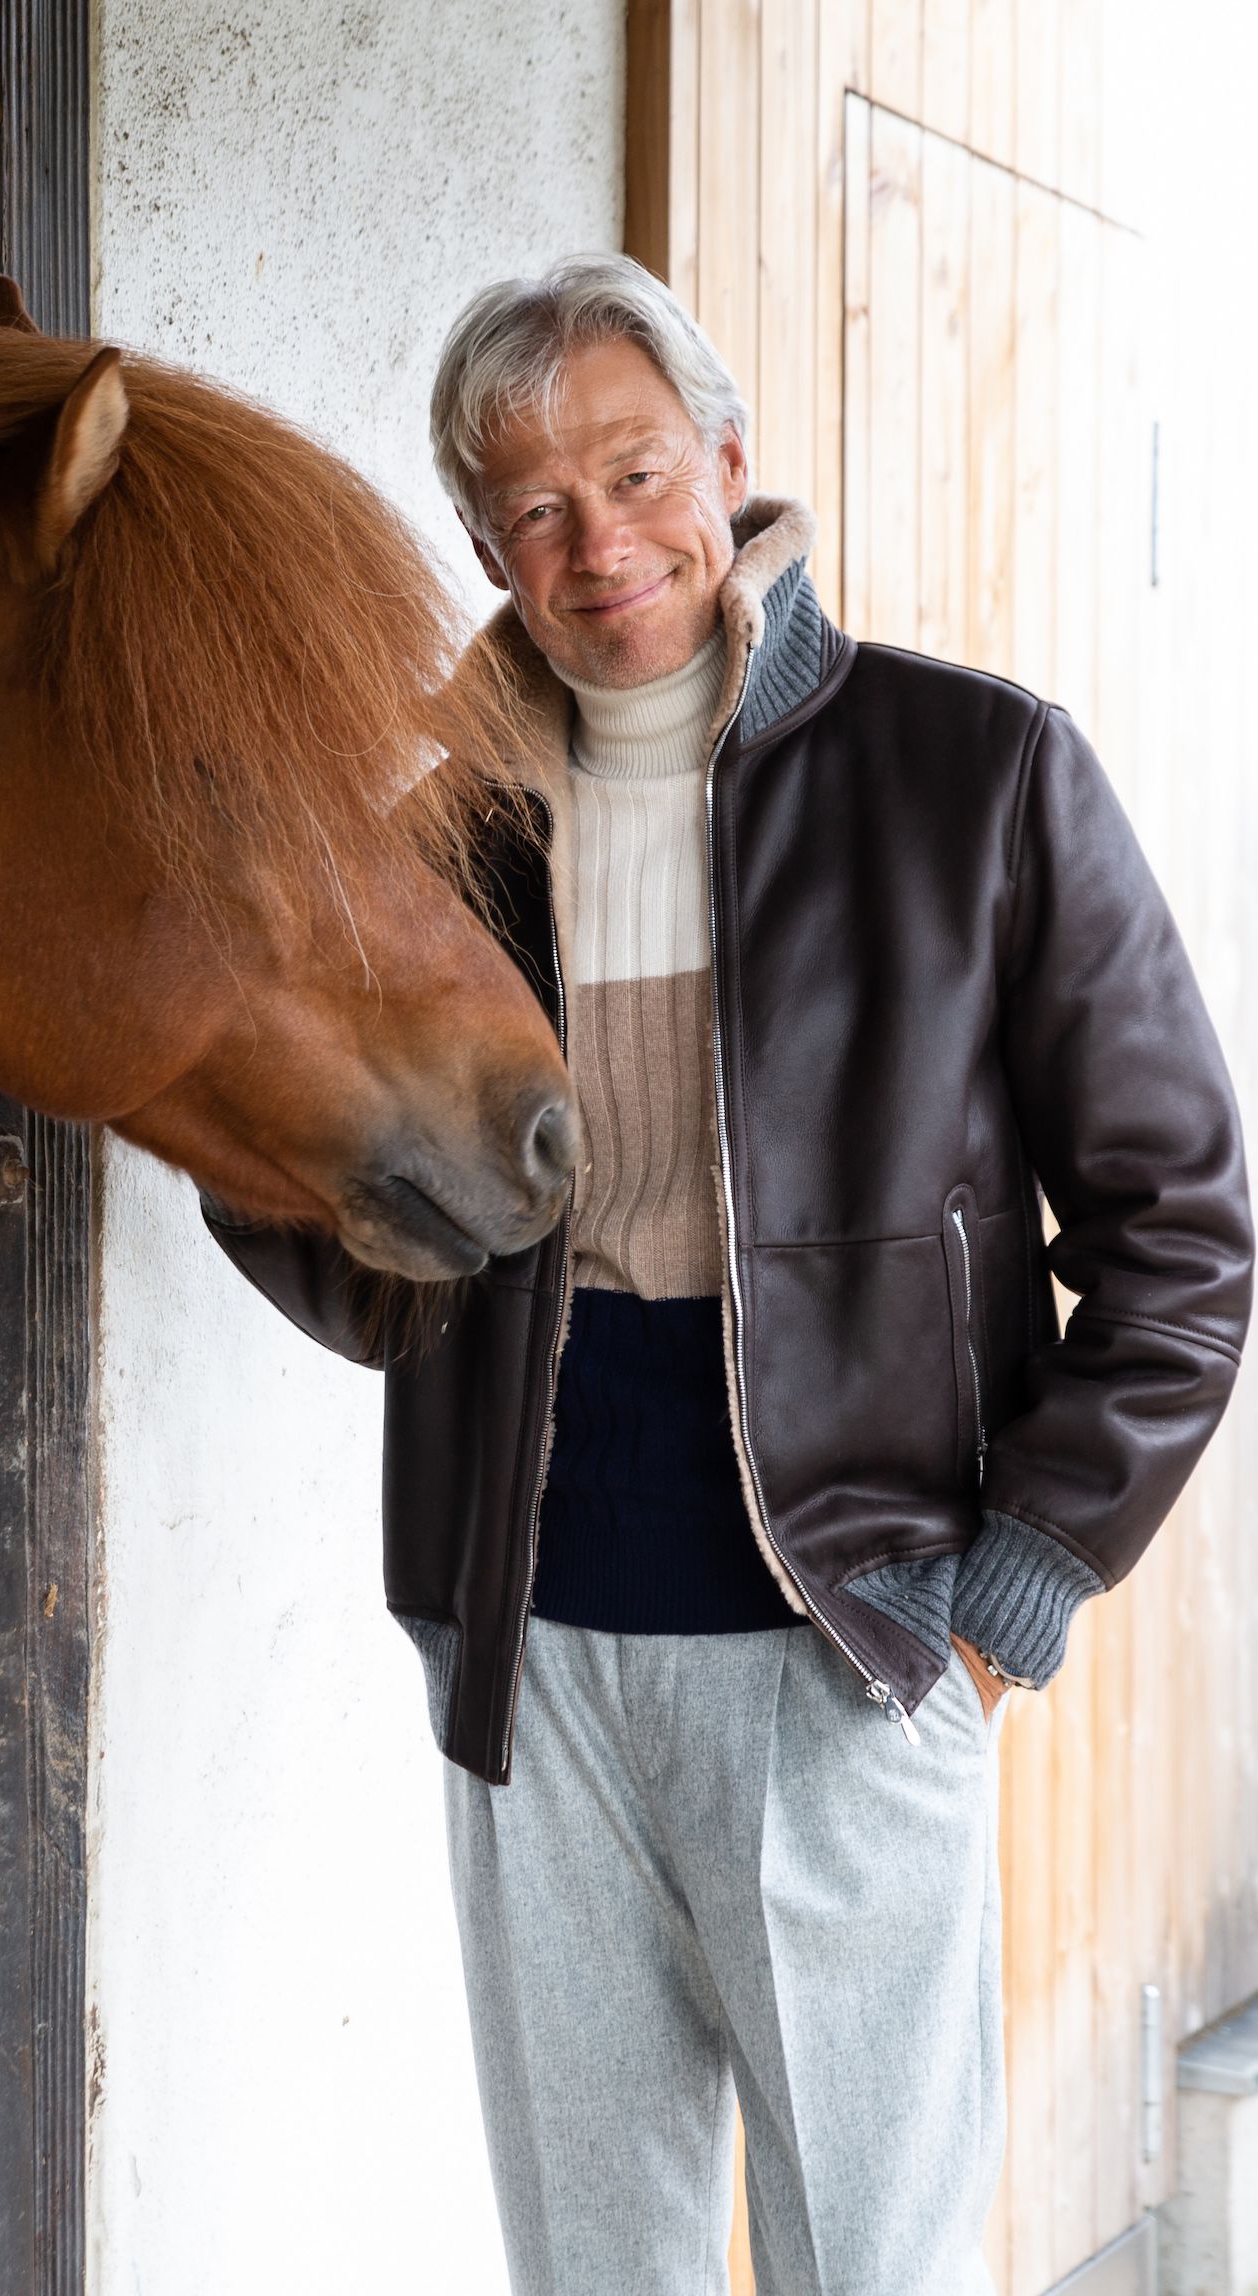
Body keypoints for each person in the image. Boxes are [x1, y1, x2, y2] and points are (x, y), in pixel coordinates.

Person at [203, 254, 1252, 2295]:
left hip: (852, 1641)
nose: (596, 541)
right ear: (481, 541)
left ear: (727, 459)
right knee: (598, 2269)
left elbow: (1178, 1222)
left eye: (631, 466)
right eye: (530, 505)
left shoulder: (972, 775)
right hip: (528, 1645)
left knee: (880, 2259)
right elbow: (291, 1176)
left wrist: (1013, 1578)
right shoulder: (434, 849)